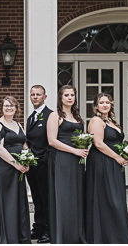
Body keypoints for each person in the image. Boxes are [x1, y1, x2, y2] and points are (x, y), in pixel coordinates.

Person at [85, 92, 128, 244]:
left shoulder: (112, 121)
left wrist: (124, 155)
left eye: (107, 102)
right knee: (108, 199)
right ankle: (105, 237)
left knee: (115, 198)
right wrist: (117, 157)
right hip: (101, 162)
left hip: (113, 163)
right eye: (101, 102)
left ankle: (117, 236)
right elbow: (98, 143)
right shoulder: (96, 121)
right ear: (96, 106)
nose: (105, 105)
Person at [46, 85, 87, 244]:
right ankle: (62, 236)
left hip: (77, 162)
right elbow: (52, 141)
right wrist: (74, 151)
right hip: (62, 159)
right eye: (66, 95)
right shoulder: (54, 115)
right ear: (60, 97)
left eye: (72, 95)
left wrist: (84, 145)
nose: (70, 98)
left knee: (76, 196)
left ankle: (76, 235)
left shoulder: (77, 117)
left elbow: (81, 136)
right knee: (63, 197)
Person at [0, 95, 31, 244]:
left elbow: (24, 145)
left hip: (19, 168)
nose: (9, 108)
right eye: (6, 105)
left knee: (18, 200)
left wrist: (27, 160)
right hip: (5, 168)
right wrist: (16, 164)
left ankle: (19, 235)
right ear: (2, 108)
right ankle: (7, 236)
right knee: (7, 201)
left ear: (16, 108)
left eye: (11, 106)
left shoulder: (18, 124)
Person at [26, 85, 53, 243]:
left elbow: (51, 141)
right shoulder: (31, 118)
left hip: (44, 164)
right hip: (32, 166)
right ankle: (38, 227)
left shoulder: (50, 115)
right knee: (36, 198)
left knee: (45, 198)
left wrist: (42, 160)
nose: (35, 97)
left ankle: (48, 230)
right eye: (33, 94)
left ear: (45, 96)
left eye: (38, 94)